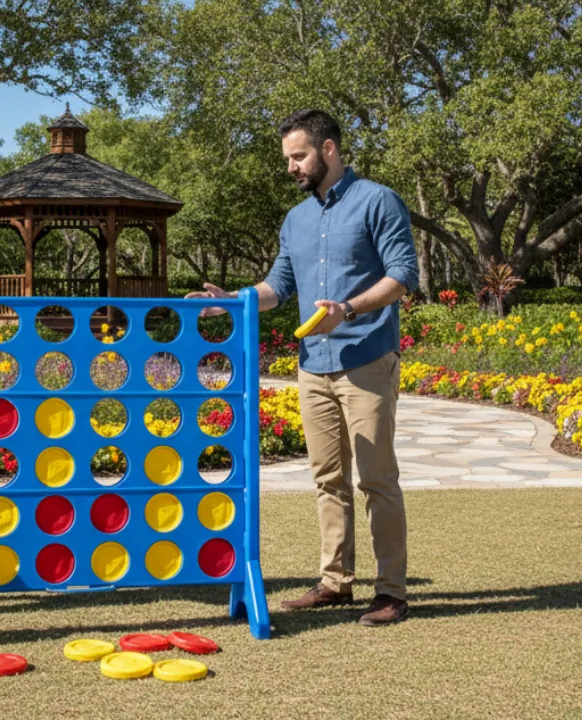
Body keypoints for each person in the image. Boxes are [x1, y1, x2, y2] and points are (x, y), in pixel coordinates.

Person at [187, 109, 419, 626]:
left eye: (299, 156)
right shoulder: (296, 219)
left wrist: (350, 309)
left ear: (329, 150)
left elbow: (402, 275)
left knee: (377, 480)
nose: (291, 167)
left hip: (365, 359)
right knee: (326, 478)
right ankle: (335, 582)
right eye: (288, 158)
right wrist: (234, 299)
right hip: (314, 366)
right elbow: (278, 287)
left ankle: (392, 592)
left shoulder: (378, 201)